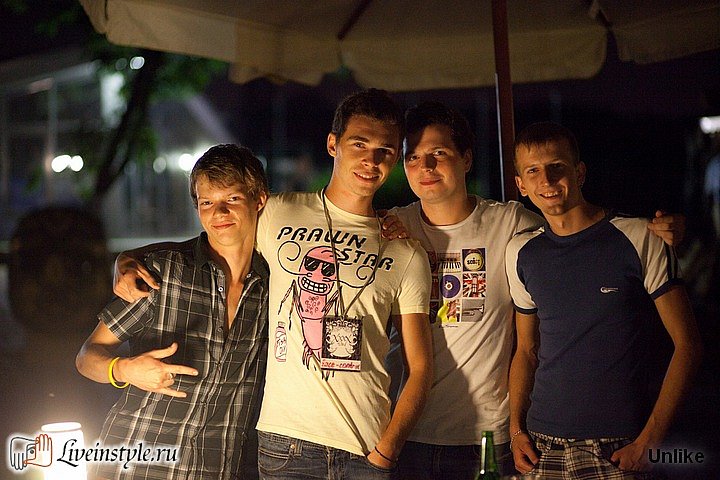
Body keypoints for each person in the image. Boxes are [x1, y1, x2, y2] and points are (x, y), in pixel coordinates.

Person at [113, 88, 433, 480]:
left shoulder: (404, 251)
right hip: (287, 448)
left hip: (365, 450)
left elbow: (420, 367)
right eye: (359, 144)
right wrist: (127, 258)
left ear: (396, 156)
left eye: (385, 150)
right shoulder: (279, 212)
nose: (371, 160)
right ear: (332, 144)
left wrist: (387, 450)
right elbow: (212, 234)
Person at [386, 103, 686, 480]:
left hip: (489, 434)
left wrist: (666, 229)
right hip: (405, 429)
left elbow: (571, 224)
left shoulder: (510, 224)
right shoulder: (388, 227)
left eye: (439, 153)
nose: (426, 166)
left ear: (466, 159)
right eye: (413, 157)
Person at [506, 122, 702, 479]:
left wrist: (650, 440)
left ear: (579, 173)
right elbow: (526, 351)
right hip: (540, 447)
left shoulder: (639, 236)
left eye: (557, 166)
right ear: (521, 185)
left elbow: (688, 345)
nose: (546, 180)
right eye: (533, 171)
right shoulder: (521, 251)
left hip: (618, 448)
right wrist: (516, 430)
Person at [75, 145, 270, 479]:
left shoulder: (276, 288)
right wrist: (124, 369)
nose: (219, 212)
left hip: (215, 468)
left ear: (259, 200)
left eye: (232, 198)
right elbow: (85, 357)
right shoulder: (164, 273)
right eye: (206, 202)